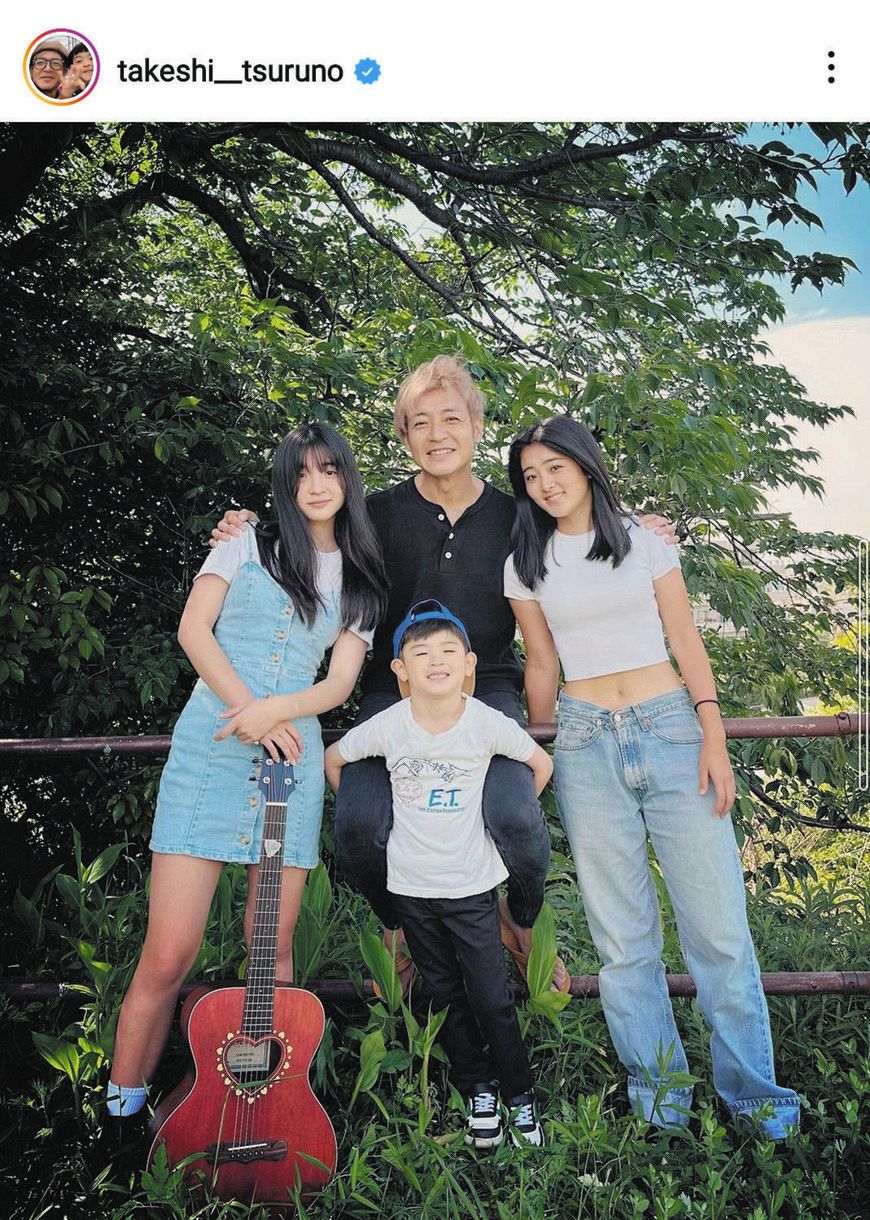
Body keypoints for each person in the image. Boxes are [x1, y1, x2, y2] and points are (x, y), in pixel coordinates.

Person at [212, 356, 674, 993]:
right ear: (404, 435)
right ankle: (399, 926)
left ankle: (519, 922)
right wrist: (242, 527)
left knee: (518, 821)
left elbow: (584, 528)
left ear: (477, 427)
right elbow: (303, 529)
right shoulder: (372, 514)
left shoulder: (519, 516)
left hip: (488, 691)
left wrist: (642, 526)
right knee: (358, 826)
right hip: (392, 691)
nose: (437, 435)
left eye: (451, 419)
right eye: (421, 422)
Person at [503, 414, 801, 1139]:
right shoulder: (525, 562)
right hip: (583, 740)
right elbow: (541, 662)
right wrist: (544, 754)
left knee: (718, 930)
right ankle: (662, 1103)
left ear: (585, 465)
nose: (544, 484)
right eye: (531, 475)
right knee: (622, 940)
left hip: (670, 730)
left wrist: (712, 735)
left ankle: (756, 1101)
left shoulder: (645, 541)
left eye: (554, 468)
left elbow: (686, 638)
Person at [106, 423, 387, 1118]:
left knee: (273, 948)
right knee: (169, 952)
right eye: (301, 473)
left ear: (347, 479)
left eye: (329, 470)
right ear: (285, 484)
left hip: (290, 759)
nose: (316, 485)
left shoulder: (362, 577)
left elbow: (339, 683)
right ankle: (121, 1107)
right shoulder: (244, 542)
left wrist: (276, 713)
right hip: (213, 746)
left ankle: (266, 1106)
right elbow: (193, 630)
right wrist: (249, 711)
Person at [325, 600, 553, 1148]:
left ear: (470, 664)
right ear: (399, 670)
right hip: (411, 891)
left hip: (471, 889)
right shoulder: (389, 726)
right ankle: (478, 1089)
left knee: (491, 995)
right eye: (421, 653)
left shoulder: (485, 723)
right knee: (442, 994)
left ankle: (519, 1095)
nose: (436, 661)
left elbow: (540, 765)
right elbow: (335, 759)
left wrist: (488, 831)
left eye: (449, 651)